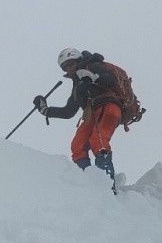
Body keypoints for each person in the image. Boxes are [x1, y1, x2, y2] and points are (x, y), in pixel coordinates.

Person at [33, 48, 126, 179]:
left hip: (109, 107)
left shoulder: (92, 65)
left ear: (78, 60)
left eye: (70, 64)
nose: (69, 69)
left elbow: (111, 79)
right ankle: (86, 182)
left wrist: (93, 78)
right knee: (78, 144)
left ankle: (107, 186)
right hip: (93, 113)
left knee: (98, 140)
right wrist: (46, 110)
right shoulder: (78, 85)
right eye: (65, 68)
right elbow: (68, 111)